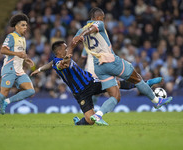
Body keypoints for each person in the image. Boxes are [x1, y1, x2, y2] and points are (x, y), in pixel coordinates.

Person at [69, 7, 173, 124]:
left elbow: (72, 43)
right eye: (103, 18)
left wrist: (69, 53)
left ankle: (98, 115)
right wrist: (84, 33)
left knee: (115, 96)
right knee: (137, 78)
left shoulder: (79, 31)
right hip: (110, 61)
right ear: (98, 17)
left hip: (98, 67)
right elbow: (93, 28)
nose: (104, 20)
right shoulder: (98, 24)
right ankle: (155, 101)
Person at [31, 41, 163, 126]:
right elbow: (60, 65)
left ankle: (144, 83)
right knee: (90, 120)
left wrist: (40, 69)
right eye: (65, 48)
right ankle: (79, 123)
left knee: (115, 84)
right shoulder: (59, 62)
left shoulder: (57, 61)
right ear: (59, 52)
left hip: (91, 82)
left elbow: (50, 64)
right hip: (80, 93)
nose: (68, 49)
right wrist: (64, 61)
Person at [0, 13, 35, 126]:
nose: (25, 27)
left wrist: (27, 59)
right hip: (9, 69)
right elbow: (3, 50)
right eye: (23, 25)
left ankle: (7, 102)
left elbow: (21, 54)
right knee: (3, 93)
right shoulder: (11, 36)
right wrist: (17, 53)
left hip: (19, 70)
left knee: (31, 91)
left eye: (26, 25)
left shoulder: (23, 38)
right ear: (16, 26)